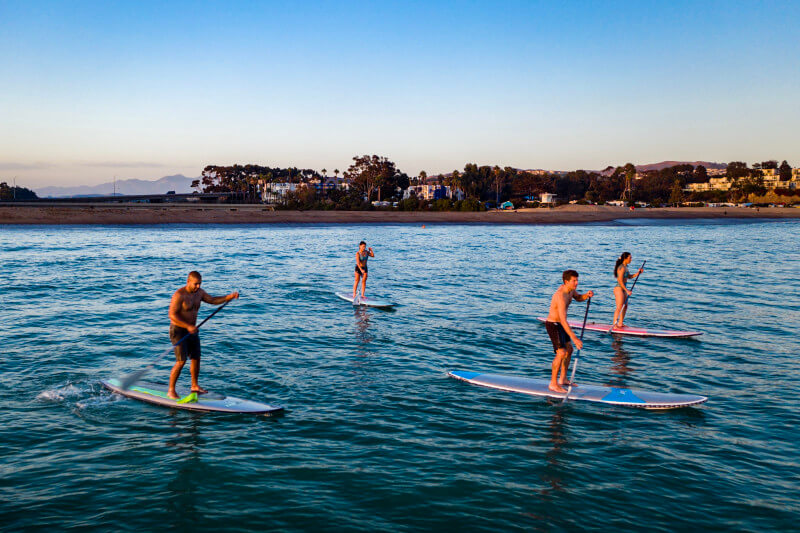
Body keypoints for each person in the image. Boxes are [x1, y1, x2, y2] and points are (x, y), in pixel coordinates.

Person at [167, 271, 239, 399]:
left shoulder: (199, 293)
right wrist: (188, 326)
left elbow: (212, 300)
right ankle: (171, 390)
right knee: (181, 361)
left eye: (200, 284)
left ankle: (194, 385)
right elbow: (172, 315)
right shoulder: (179, 295)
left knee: (196, 357)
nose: (198, 287)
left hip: (192, 330)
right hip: (178, 331)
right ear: (188, 281)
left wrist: (228, 297)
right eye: (195, 284)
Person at [544, 270, 593, 393]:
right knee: (561, 352)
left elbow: (578, 297)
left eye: (577, 280)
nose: (576, 283)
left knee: (569, 350)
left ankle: (563, 379)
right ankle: (553, 383)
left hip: (561, 324)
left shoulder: (570, 290)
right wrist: (575, 338)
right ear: (566, 281)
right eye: (574, 281)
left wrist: (586, 295)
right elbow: (563, 320)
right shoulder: (560, 296)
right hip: (553, 324)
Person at [611, 252, 643, 329]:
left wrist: (638, 273)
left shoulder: (625, 267)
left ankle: (620, 323)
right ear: (625, 258)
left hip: (623, 289)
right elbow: (620, 280)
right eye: (630, 258)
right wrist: (627, 290)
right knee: (619, 307)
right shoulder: (621, 267)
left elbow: (629, 276)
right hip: (619, 289)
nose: (631, 259)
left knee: (625, 306)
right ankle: (614, 324)